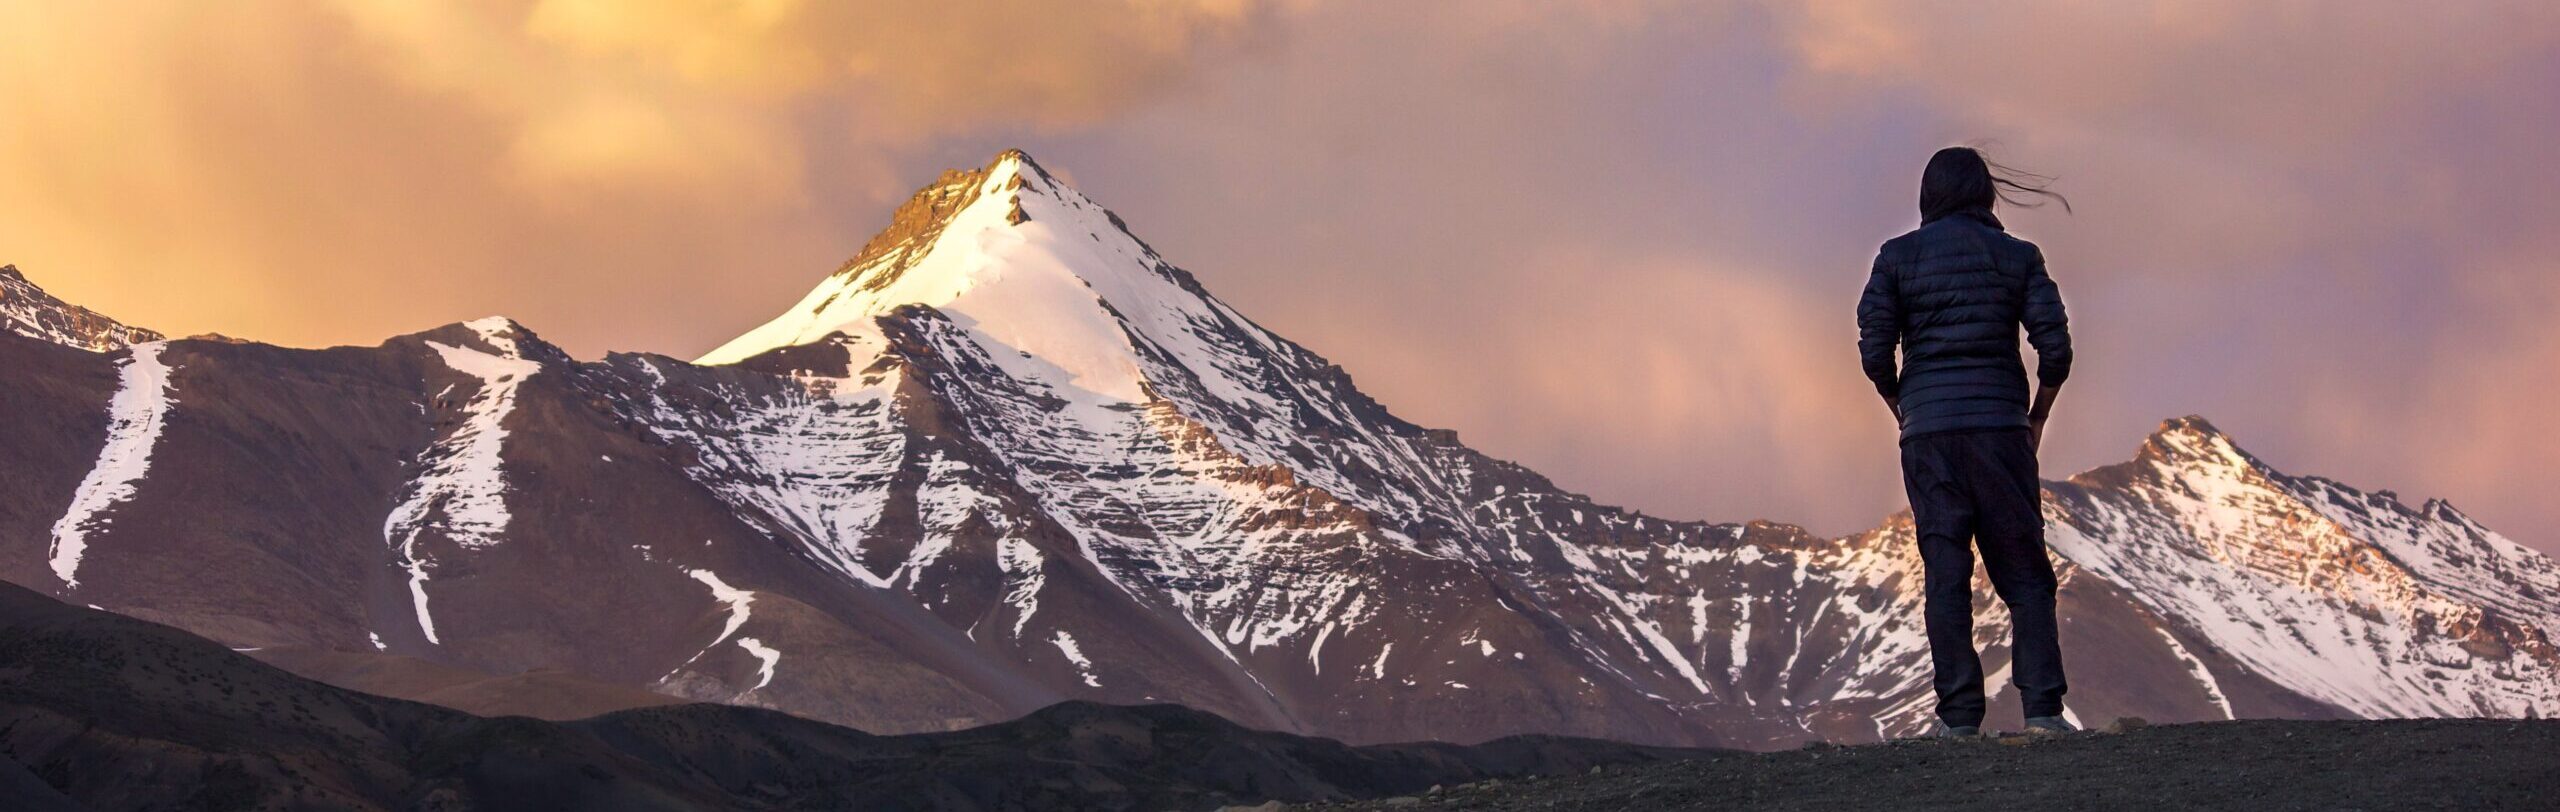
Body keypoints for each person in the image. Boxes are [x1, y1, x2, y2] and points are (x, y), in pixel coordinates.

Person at [1857, 146, 2075, 738]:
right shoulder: (2018, 257)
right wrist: (2037, 418)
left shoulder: (1894, 259)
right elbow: (2055, 350)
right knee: (2026, 575)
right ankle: (2043, 715)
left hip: (1928, 437)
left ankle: (1958, 722)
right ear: (1986, 194)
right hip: (2001, 432)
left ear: (1928, 196)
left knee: (1946, 572)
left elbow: (1875, 350)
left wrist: (1904, 405)